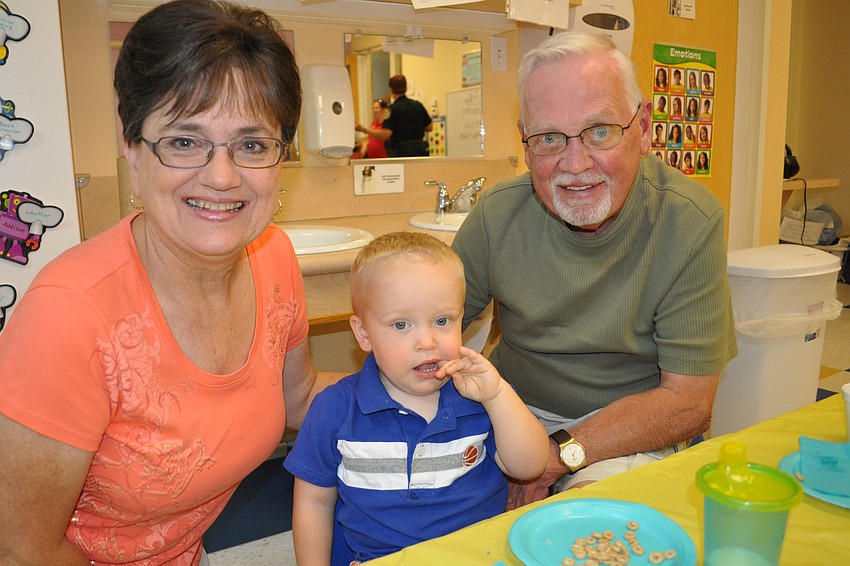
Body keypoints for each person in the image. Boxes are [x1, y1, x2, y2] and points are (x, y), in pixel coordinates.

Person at [0, 1, 340, 564]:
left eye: (252, 144)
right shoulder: (69, 316)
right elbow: (21, 550)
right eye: (184, 141)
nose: (222, 176)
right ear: (132, 149)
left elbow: (297, 397)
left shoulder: (274, 257)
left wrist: (432, 386)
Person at [452, 31, 737, 508]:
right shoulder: (496, 215)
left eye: (599, 131)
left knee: (589, 531)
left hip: (627, 428)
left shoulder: (689, 220)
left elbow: (688, 405)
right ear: (525, 141)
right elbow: (426, 328)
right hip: (508, 409)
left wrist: (557, 455)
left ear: (643, 127)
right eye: (548, 138)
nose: (575, 163)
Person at [284, 232, 549, 565]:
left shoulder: (478, 398)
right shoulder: (335, 410)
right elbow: (313, 503)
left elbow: (530, 466)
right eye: (401, 324)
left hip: (476, 555)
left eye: (442, 321)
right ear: (364, 334)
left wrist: (497, 395)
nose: (426, 341)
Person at [369, 75, 433, 157]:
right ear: (405, 88)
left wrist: (364, 129)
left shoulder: (391, 110)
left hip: (401, 151)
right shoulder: (418, 105)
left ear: (391, 89)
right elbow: (430, 127)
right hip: (419, 149)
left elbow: (386, 133)